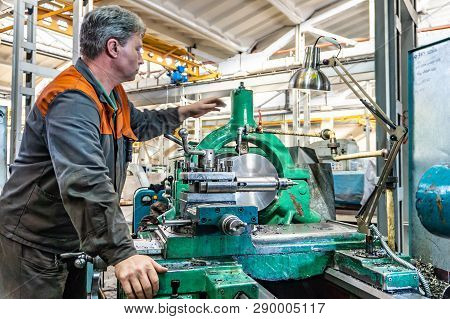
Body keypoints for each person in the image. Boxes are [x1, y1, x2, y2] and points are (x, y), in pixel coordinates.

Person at [0, 5, 224, 299]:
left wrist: (184, 111)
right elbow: (84, 179)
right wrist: (122, 252)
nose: (143, 59)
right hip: (35, 244)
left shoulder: (113, 95)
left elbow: (140, 124)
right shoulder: (73, 98)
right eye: (139, 48)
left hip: (72, 238)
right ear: (114, 47)